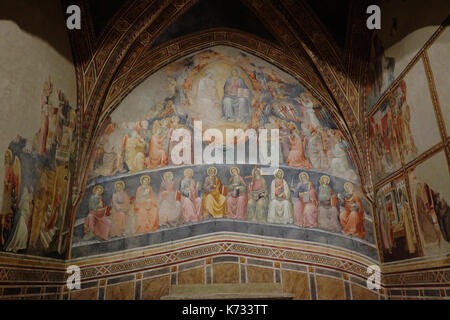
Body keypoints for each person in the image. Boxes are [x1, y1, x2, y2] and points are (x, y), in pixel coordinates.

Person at [4, 187, 33, 253]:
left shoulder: (28, 195)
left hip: (22, 214)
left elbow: (27, 207)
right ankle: (14, 246)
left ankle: (17, 247)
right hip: (21, 215)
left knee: (23, 231)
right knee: (21, 230)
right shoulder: (25, 192)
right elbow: (23, 205)